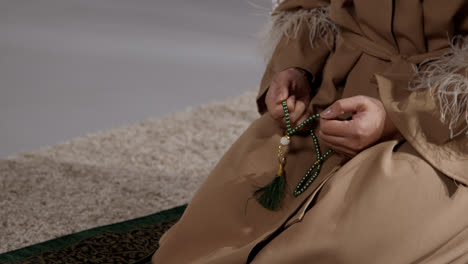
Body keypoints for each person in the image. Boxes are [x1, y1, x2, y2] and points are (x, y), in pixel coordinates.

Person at [153, 0, 468, 263]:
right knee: (201, 233)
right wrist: (296, 67)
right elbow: (311, 3)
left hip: (448, 121)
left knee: (341, 248)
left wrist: (395, 117)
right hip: (341, 88)